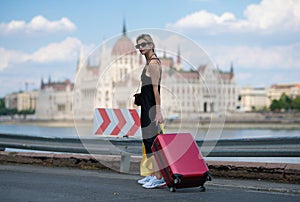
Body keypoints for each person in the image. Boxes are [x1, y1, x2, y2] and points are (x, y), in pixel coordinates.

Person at [135, 34, 165, 189]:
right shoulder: (148, 63)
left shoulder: (153, 64)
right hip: (146, 106)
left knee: (153, 142)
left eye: (144, 44)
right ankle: (153, 174)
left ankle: (159, 177)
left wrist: (158, 111)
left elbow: (156, 90)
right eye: (138, 46)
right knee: (148, 142)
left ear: (151, 44)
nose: (141, 48)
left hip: (151, 109)